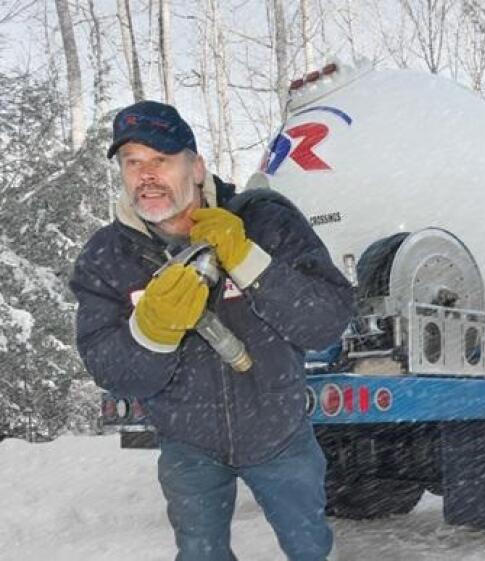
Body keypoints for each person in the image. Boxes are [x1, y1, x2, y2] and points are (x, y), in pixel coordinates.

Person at [70, 100, 353, 561]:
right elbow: (112, 370)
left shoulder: (264, 221)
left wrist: (248, 261)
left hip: (280, 432)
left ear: (196, 168)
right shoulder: (107, 258)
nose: (146, 175)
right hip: (188, 443)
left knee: (310, 548)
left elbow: (326, 323)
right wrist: (152, 332)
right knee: (200, 555)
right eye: (132, 162)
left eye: (161, 160)